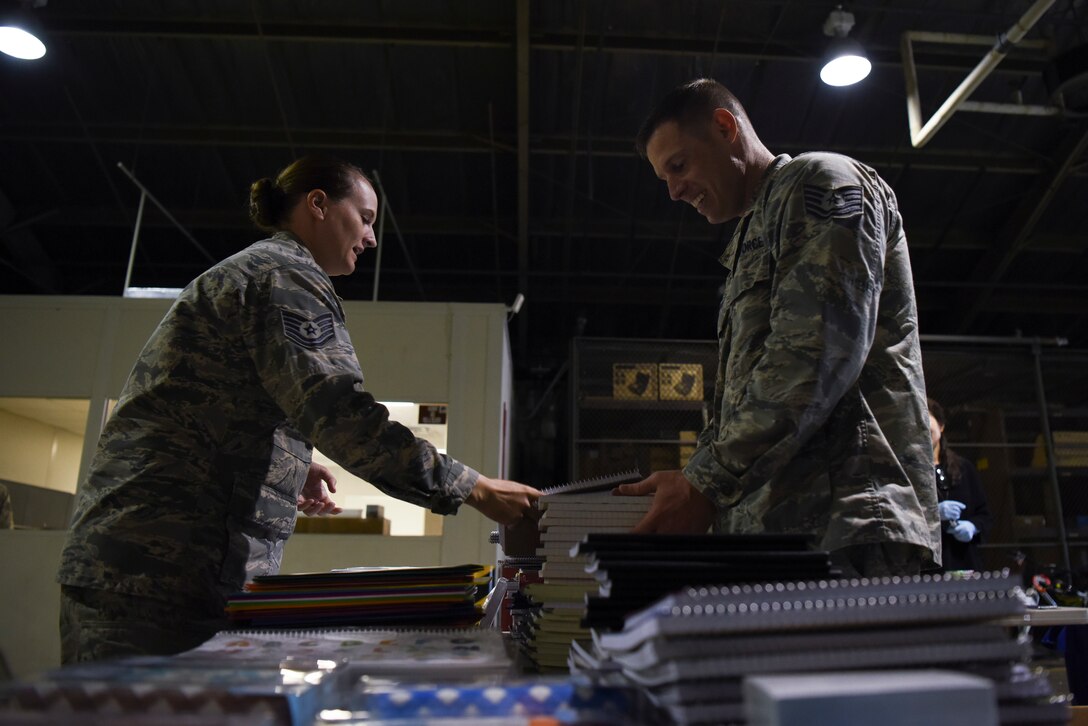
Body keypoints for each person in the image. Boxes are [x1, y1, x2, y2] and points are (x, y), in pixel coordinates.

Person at [57, 155, 540, 663]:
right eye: (367, 218)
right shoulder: (285, 274)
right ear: (318, 205)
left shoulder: (260, 271)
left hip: (152, 569)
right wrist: (472, 486)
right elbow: (340, 413)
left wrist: (286, 458)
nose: (372, 239)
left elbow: (215, 402)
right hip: (160, 577)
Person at [615, 78, 941, 578]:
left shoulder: (820, 183)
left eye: (678, 166)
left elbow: (814, 353)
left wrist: (704, 481)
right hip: (784, 531)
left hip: (848, 525)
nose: (675, 191)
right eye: (664, 180)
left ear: (725, 128)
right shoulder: (753, 232)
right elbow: (746, 394)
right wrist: (695, 477)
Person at [928, 398, 991, 571]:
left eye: (926, 418)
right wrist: (933, 514)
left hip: (965, 563)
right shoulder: (909, 472)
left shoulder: (964, 468)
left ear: (941, 425)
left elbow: (984, 515)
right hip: (929, 568)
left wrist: (973, 527)